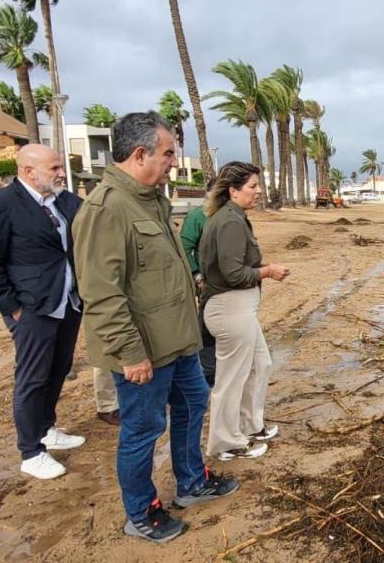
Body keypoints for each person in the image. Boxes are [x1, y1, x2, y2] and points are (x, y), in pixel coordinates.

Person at [72, 112, 238, 544]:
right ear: (140, 152)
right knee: (143, 428)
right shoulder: (106, 209)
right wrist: (130, 354)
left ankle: (191, 482)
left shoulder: (150, 200)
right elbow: (102, 293)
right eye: (167, 153)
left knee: (193, 403)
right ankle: (141, 512)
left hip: (178, 341)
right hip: (143, 351)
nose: (173, 160)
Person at [0, 144, 85, 480]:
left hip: (68, 302)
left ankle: (46, 427)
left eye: (60, 166)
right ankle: (30, 451)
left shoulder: (66, 202)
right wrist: (12, 308)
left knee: (59, 367)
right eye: (54, 168)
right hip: (32, 306)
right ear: (28, 171)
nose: (62, 173)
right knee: (32, 377)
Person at [200, 162, 287, 461]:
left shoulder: (233, 218)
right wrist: (268, 271)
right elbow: (233, 272)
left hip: (238, 309)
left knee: (259, 365)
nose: (259, 191)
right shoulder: (230, 222)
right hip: (229, 308)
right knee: (230, 379)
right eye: (253, 186)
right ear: (234, 191)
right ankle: (225, 443)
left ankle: (250, 425)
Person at [180, 190, 217, 388]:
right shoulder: (197, 217)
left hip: (230, 285)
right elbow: (184, 248)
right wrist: (197, 275)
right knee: (207, 327)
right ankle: (209, 371)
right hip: (208, 284)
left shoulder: (230, 215)